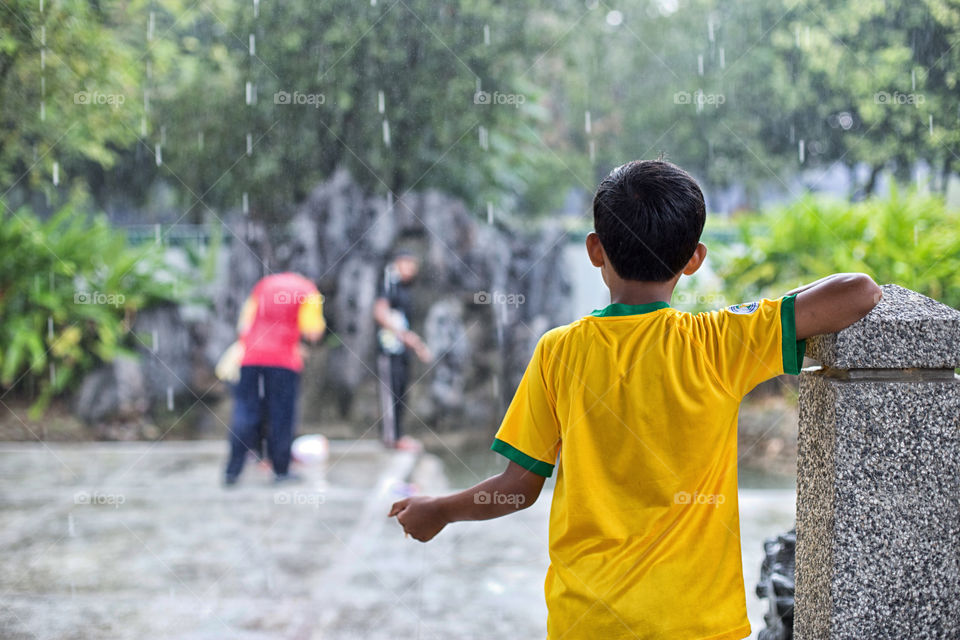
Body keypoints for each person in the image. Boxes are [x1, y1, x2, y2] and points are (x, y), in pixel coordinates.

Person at [388, 160, 882, 639]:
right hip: (695, 622)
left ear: (595, 249)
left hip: (590, 620)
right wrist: (767, 312)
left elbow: (518, 488)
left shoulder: (560, 351)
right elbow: (859, 291)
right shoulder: (719, 342)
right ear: (694, 259)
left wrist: (440, 509)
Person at [224, 272, 325, 485]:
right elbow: (312, 330)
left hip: (250, 358)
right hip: (283, 361)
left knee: (245, 411)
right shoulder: (308, 290)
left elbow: (244, 324)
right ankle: (280, 470)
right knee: (281, 415)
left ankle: (232, 471)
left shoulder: (263, 284)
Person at [373, 251, 431, 449]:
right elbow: (380, 313)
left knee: (400, 391)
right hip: (389, 348)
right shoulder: (389, 281)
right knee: (391, 392)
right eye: (408, 264)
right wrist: (409, 338)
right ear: (398, 262)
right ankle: (392, 438)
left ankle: (398, 436)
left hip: (401, 349)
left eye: (414, 266)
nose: (412, 270)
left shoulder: (403, 287)